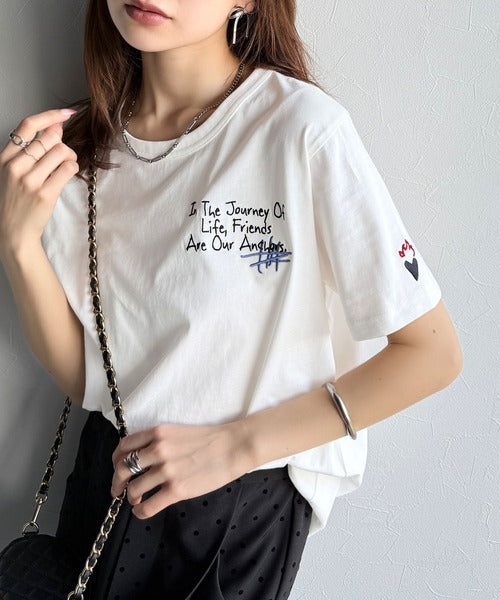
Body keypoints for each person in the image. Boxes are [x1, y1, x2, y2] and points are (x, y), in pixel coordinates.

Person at [0, 1, 463, 598]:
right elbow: (91, 380)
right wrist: (18, 244)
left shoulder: (298, 128)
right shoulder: (79, 150)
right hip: (108, 479)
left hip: (238, 503)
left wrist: (235, 447)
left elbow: (431, 353)